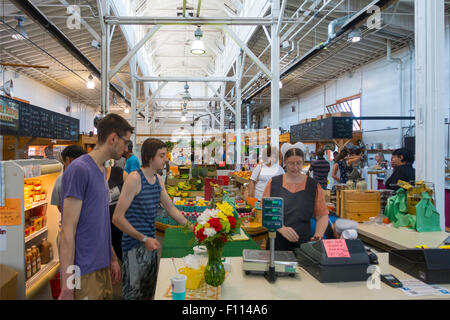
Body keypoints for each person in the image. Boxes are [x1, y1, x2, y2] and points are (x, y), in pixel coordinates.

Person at [58, 113, 134, 300]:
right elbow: (67, 231)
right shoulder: (79, 170)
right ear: (113, 138)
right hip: (83, 271)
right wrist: (67, 286)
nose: (126, 148)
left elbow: (100, 223)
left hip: (101, 266)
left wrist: (112, 257)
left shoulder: (101, 170)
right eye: (125, 142)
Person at [112, 138, 190, 300]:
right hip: (134, 247)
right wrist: (143, 238)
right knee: (134, 294)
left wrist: (193, 228)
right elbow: (117, 218)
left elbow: (171, 209)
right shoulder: (135, 178)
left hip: (150, 245)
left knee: (149, 292)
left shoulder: (158, 180)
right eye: (161, 155)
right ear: (149, 157)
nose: (166, 159)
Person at [262, 147, 330, 251]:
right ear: (284, 162)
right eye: (291, 163)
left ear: (303, 162)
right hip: (276, 241)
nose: (295, 167)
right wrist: (280, 227)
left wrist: (318, 235)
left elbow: (322, 215)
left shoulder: (313, 186)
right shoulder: (274, 183)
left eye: (298, 163)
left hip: (304, 243)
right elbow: (263, 211)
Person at [51, 145, 86, 213]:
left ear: (68, 159)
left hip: (69, 221)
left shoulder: (61, 180)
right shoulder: (94, 176)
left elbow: (60, 207)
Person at [106, 159, 128, 262]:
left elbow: (135, 195)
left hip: (120, 229)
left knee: (124, 259)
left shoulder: (119, 173)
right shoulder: (92, 177)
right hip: (101, 230)